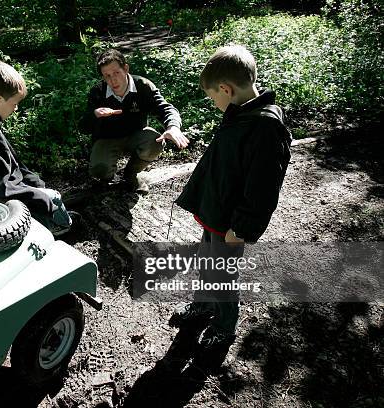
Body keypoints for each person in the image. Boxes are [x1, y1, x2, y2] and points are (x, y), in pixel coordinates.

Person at [169, 45, 292, 348]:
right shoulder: (241, 112)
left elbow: (263, 188)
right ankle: (204, 305)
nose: (214, 104)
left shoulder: (264, 127)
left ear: (226, 88)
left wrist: (242, 228)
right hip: (215, 211)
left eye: (213, 98)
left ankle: (224, 326)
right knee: (207, 262)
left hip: (231, 223)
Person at [0, 60, 73, 235]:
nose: (16, 108)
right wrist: (41, 198)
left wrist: (35, 183)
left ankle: (56, 219)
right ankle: (61, 229)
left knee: (43, 188)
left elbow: (13, 162)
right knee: (53, 197)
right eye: (14, 103)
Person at [79, 48, 189, 195]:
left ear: (126, 68)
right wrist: (94, 114)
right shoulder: (98, 92)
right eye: (107, 76)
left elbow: (165, 108)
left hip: (136, 135)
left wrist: (173, 127)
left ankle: (131, 174)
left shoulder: (143, 86)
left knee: (155, 142)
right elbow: (83, 127)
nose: (113, 80)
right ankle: (106, 181)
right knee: (100, 169)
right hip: (107, 139)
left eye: (116, 73)